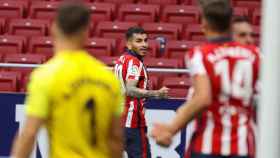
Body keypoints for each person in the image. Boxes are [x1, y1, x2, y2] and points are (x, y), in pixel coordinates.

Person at [11, 2, 124, 158]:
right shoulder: (108, 78)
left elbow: (29, 134)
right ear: (86, 32)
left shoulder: (47, 75)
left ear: (54, 28)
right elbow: (115, 138)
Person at [152, 1, 260, 158]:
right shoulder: (255, 55)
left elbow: (202, 98)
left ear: (204, 24)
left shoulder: (200, 54)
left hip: (208, 146)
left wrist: (170, 129)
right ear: (231, 24)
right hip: (243, 146)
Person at [114, 26, 169, 158]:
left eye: (145, 40)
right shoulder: (134, 63)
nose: (144, 44)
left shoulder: (121, 60)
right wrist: (157, 93)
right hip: (133, 124)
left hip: (118, 122)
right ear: (128, 44)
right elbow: (130, 90)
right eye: (138, 41)